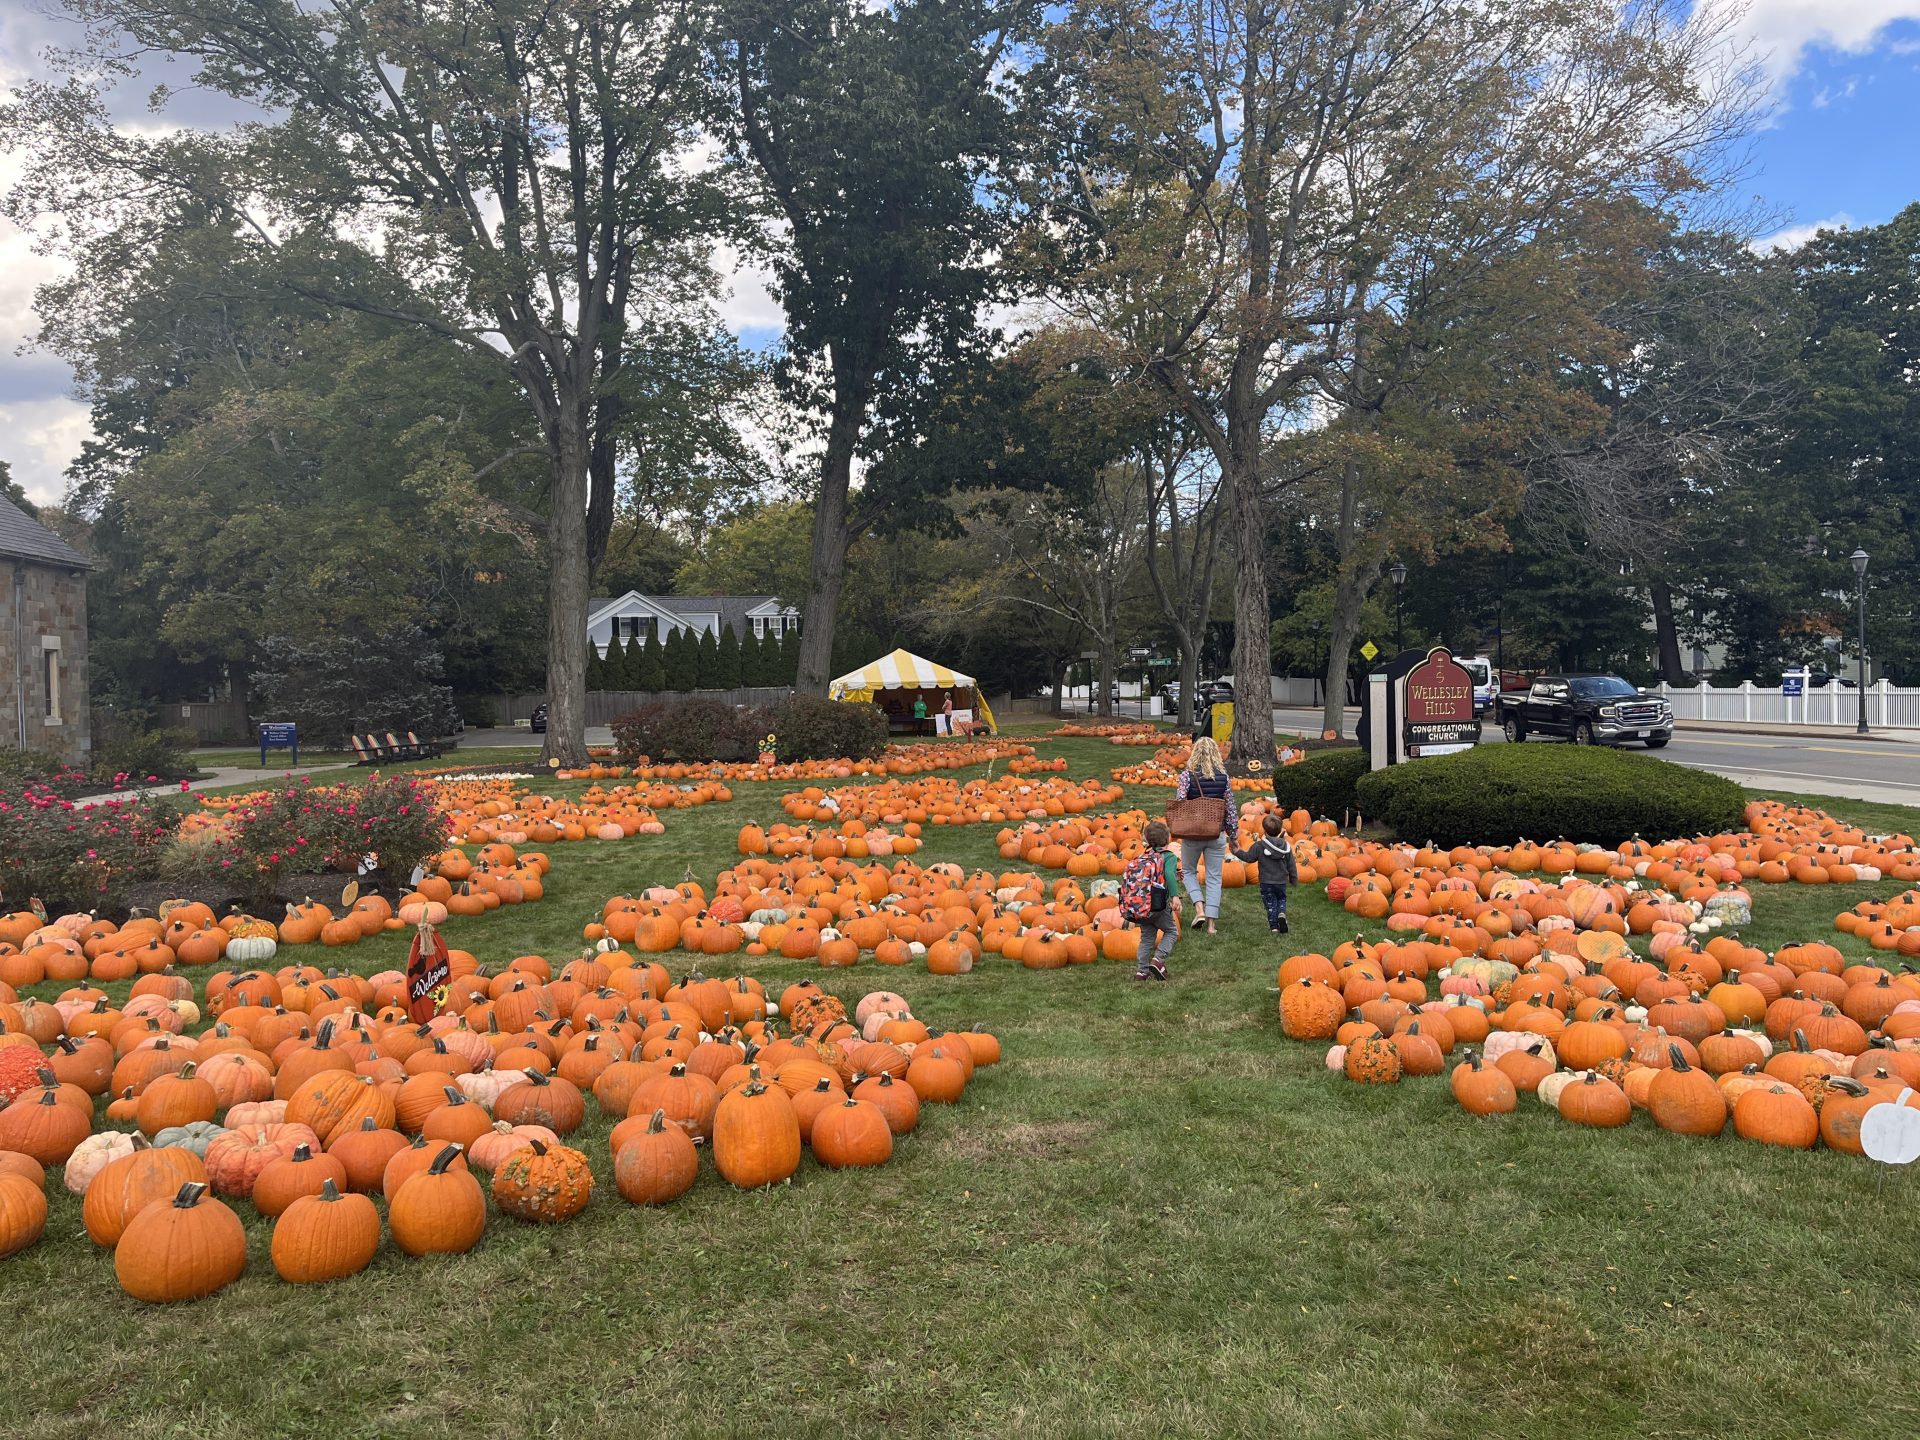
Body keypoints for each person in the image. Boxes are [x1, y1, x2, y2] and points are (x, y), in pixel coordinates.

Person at [1174, 735, 1237, 934]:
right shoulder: (1224, 778)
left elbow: (1180, 802)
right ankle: (1211, 925)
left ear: (1195, 753)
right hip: (1215, 834)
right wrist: (1233, 835)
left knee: (1189, 872)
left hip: (1192, 833)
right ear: (1215, 754)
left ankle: (1199, 908)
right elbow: (1230, 809)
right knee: (1214, 878)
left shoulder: (1187, 776)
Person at [1128, 820, 1181, 981]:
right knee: (1172, 932)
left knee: (1146, 939)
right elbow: (1169, 876)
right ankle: (1158, 960)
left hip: (1141, 905)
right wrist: (1175, 896)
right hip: (1159, 906)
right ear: (1167, 840)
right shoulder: (1169, 857)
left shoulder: (1142, 857)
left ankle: (1141, 972)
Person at [1233, 813, 1301, 935]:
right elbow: (1291, 864)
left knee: (1270, 904)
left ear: (1264, 830)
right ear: (1281, 829)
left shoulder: (1259, 846)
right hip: (1281, 881)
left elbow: (1249, 858)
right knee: (1281, 899)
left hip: (1266, 882)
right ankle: (1282, 914)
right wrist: (1293, 879)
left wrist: (1237, 852)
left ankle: (1274, 928)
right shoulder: (1285, 846)